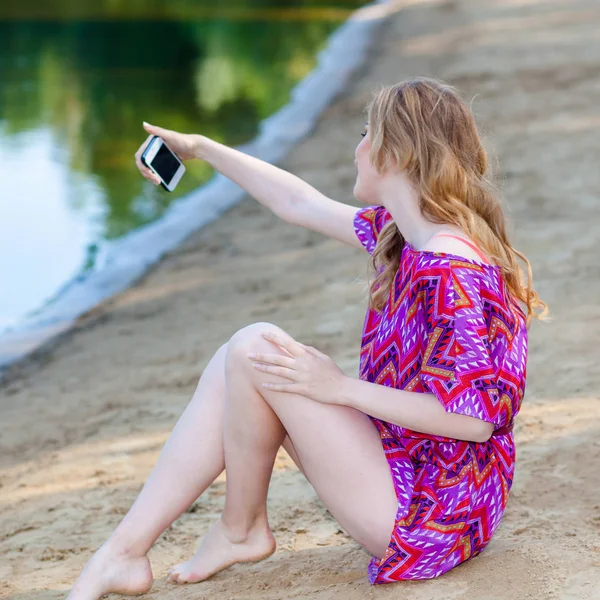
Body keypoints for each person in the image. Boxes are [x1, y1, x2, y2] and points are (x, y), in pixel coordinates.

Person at [67, 77, 547, 598]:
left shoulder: (451, 270)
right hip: (416, 474)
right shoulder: (408, 237)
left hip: (434, 518)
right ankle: (129, 552)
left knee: (255, 348)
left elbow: (473, 420)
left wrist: (338, 388)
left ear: (398, 152)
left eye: (367, 134)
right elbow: (296, 202)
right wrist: (201, 150)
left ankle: (237, 529)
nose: (358, 148)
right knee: (240, 359)